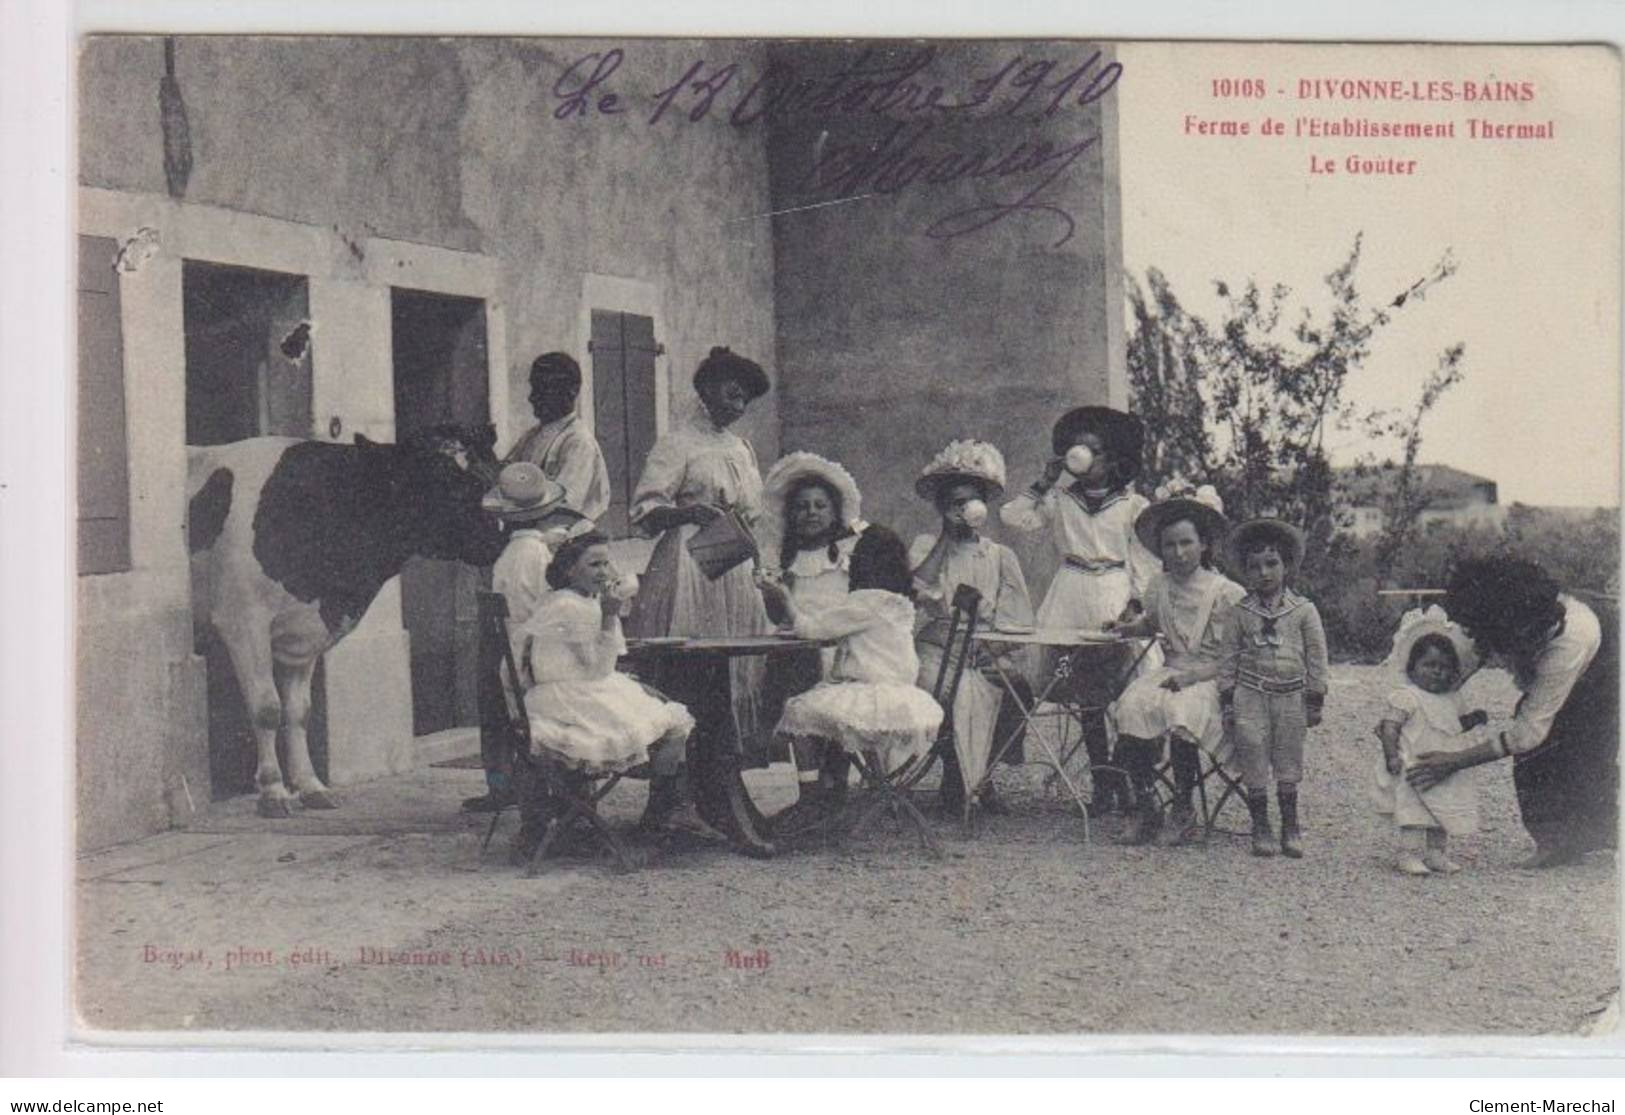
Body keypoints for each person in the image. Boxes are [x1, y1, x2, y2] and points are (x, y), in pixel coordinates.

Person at [624, 347, 775, 850]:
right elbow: (644, 512)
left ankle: (721, 791)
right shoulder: (677, 444)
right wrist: (691, 512)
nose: (738, 401)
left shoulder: (742, 448)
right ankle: (675, 800)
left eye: (746, 396)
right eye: (731, 389)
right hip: (688, 565)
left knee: (727, 677)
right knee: (690, 675)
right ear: (706, 388)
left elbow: (752, 514)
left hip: (730, 566)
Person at [1000, 406, 1161, 815]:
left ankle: (1130, 778)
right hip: (1071, 593)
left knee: (1128, 690)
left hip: (1114, 590)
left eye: (1094, 450)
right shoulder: (1059, 500)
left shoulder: (1131, 504)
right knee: (1088, 696)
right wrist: (1044, 480)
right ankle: (1102, 783)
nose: (1085, 457)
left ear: (1111, 458)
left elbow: (1142, 559)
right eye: (1079, 449)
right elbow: (1013, 517)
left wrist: (1135, 604)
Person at [1408, 557, 1617, 869]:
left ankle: (1579, 836)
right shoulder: (1497, 614)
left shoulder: (1569, 642)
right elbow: (1465, 661)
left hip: (1607, 666)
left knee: (1581, 746)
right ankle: (1564, 836)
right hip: (1573, 643)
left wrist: (1454, 760)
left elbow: (1526, 734)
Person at [513, 531, 701, 855]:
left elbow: (597, 665)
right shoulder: (574, 607)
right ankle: (663, 813)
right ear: (571, 569)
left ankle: (658, 810)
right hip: (571, 698)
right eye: (594, 564)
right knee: (673, 721)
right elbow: (599, 668)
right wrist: (611, 614)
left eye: (606, 563)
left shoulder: (566, 599)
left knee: (659, 704)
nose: (603, 572)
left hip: (560, 692)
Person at [1106, 485, 1244, 846]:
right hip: (1172, 671)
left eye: (1187, 543)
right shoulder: (1158, 586)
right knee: (1131, 706)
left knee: (1183, 711)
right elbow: (1153, 623)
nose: (1179, 553)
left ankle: (1183, 807)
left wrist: (1197, 675)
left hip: (1212, 676)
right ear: (1160, 549)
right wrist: (1127, 628)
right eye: (1170, 545)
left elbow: (1239, 652)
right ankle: (1147, 803)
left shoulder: (1226, 592)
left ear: (1203, 545)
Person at [910, 439, 1036, 816]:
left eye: (969, 501)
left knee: (1015, 689)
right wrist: (946, 538)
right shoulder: (927, 546)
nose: (963, 509)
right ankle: (954, 770)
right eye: (954, 503)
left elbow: (1017, 619)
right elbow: (917, 590)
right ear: (942, 508)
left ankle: (983, 773)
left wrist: (993, 649)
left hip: (984, 646)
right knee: (941, 691)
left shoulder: (999, 556)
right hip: (937, 645)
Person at [763, 525, 944, 780]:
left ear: (861, 564)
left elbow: (811, 629)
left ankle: (810, 792)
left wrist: (784, 596)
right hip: (902, 695)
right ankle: (872, 787)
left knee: (798, 712)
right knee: (827, 710)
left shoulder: (865, 601)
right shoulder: (899, 603)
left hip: (872, 694)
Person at [466, 462, 587, 814]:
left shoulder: (508, 555)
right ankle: (571, 800)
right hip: (535, 666)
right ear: (545, 513)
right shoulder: (538, 555)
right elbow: (549, 613)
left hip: (514, 664)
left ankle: (555, 799)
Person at [755, 452, 867, 828]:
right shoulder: (785, 560)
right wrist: (774, 594)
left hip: (843, 647)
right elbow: (778, 617)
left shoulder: (850, 554)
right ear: (791, 515)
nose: (811, 513)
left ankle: (834, 784)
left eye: (820, 505)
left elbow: (860, 606)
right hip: (800, 646)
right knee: (794, 693)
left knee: (829, 703)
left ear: (835, 512)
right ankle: (810, 792)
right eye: (802, 507)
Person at [1216, 517, 1328, 859]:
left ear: (1286, 566)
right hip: (1251, 694)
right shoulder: (1239, 613)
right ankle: (1260, 825)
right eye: (1254, 567)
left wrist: (1315, 699)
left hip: (1291, 696)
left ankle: (1290, 824)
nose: (1264, 573)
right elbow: (1228, 659)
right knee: (1253, 751)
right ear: (1245, 572)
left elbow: (1317, 657)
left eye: (1272, 564)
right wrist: (1227, 700)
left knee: (1288, 756)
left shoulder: (1303, 611)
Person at [1373, 609, 1487, 876]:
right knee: (1413, 812)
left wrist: (1474, 719)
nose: (1437, 673)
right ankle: (1408, 854)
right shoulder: (1407, 697)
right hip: (1415, 764)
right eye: (1429, 665)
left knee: (1441, 811)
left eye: (1444, 667)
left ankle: (1436, 854)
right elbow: (1390, 727)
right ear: (1413, 667)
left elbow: (1455, 725)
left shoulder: (1452, 698)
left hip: (1444, 764)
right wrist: (1391, 755)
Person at [503, 351, 612, 527]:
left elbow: (563, 505)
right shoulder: (530, 437)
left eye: (542, 389)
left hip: (566, 539)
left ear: (571, 392)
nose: (532, 397)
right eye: (533, 388)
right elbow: (506, 481)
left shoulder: (578, 442)